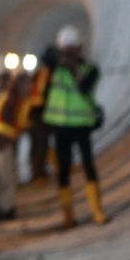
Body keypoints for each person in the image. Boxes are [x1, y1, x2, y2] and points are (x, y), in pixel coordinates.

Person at [43, 25, 109, 227]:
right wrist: (61, 59)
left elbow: (83, 87)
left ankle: (97, 210)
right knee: (63, 169)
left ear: (80, 49)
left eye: (73, 50)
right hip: (61, 126)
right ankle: (68, 215)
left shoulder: (91, 70)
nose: (70, 53)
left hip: (81, 126)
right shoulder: (56, 68)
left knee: (89, 165)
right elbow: (45, 57)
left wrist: (71, 66)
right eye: (66, 50)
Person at [0, 69, 32, 219]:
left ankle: (3, 206)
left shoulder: (9, 96)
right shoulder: (11, 97)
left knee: (2, 175)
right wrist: (2, 139)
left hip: (0, 140)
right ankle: (2, 207)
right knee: (3, 175)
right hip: (1, 141)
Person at [28, 45, 59, 185]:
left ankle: (41, 172)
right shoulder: (45, 74)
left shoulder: (43, 73)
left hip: (39, 113)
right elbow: (40, 96)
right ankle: (37, 174)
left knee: (42, 143)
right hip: (38, 114)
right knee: (39, 144)